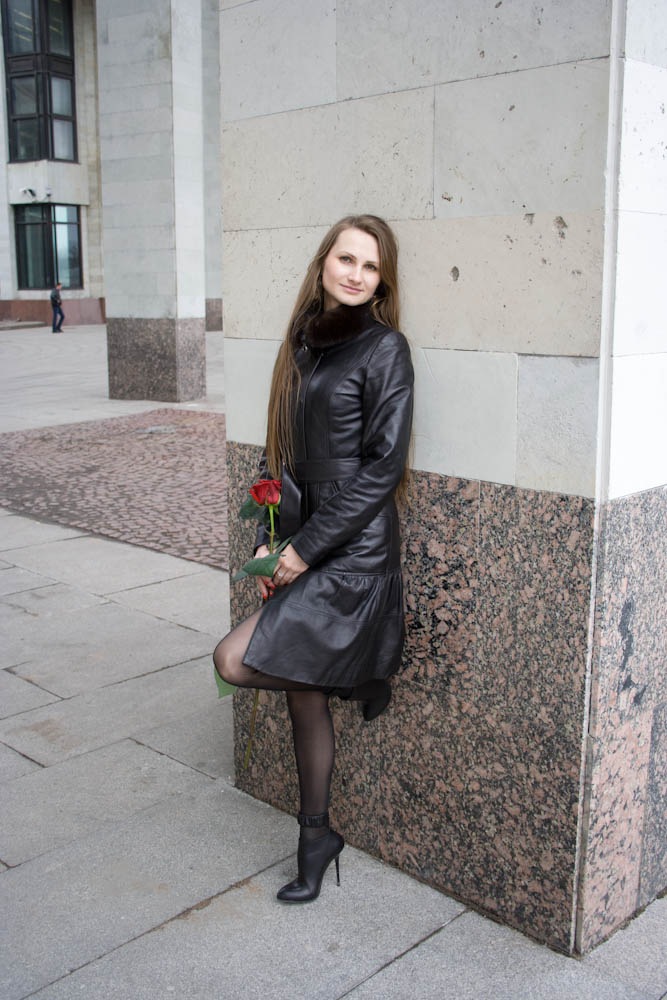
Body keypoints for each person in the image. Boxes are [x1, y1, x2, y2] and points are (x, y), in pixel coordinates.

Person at [213, 214, 414, 904]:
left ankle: (359, 677)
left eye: (370, 266)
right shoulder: (300, 343)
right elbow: (278, 451)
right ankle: (316, 837)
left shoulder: (385, 348)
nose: (356, 274)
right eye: (346, 259)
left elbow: (383, 465)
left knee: (233, 659)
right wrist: (267, 537)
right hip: (299, 538)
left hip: (353, 548)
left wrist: (303, 549)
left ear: (381, 281)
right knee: (302, 689)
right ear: (324, 262)